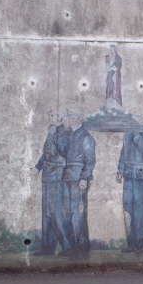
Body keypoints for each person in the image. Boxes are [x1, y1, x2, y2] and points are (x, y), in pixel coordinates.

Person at [59, 107, 96, 258]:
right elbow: (62, 152)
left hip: (79, 177)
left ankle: (82, 248)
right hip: (67, 176)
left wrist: (85, 177)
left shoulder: (86, 137)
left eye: (75, 117)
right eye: (70, 117)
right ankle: (72, 247)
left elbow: (90, 160)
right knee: (67, 213)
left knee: (78, 214)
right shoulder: (69, 136)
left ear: (81, 119)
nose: (72, 119)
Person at [34, 110, 71, 255]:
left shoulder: (63, 132)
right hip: (47, 176)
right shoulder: (52, 131)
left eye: (54, 115)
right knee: (46, 213)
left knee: (56, 212)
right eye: (49, 115)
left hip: (57, 176)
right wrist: (38, 167)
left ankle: (66, 246)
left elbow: (59, 153)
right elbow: (46, 154)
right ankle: (47, 247)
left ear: (60, 118)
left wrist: (53, 134)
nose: (51, 118)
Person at [117, 129, 143, 255]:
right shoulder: (127, 134)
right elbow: (123, 152)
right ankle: (132, 244)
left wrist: (139, 137)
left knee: (140, 209)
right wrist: (120, 170)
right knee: (127, 208)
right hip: (128, 175)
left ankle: (141, 244)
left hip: (141, 175)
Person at [105, 45, 122, 112]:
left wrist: (114, 68)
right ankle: (109, 104)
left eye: (113, 49)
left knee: (115, 89)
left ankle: (116, 105)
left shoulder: (118, 57)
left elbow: (119, 65)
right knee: (109, 87)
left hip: (115, 75)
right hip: (110, 74)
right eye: (111, 49)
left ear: (115, 49)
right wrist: (107, 66)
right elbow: (107, 67)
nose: (112, 51)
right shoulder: (110, 58)